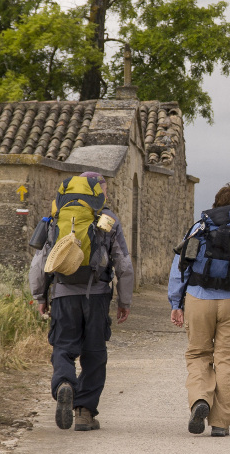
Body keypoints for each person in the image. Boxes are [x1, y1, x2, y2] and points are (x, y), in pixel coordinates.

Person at [29, 171, 134, 432]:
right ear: (99, 193)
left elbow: (40, 262)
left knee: (63, 347)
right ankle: (85, 413)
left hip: (63, 294)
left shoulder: (56, 217)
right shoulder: (108, 219)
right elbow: (123, 264)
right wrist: (125, 300)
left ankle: (65, 384)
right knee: (94, 353)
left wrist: (40, 296)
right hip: (97, 295)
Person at [168, 183, 230, 437]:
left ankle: (201, 400)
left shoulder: (198, 229)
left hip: (198, 299)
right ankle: (220, 423)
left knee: (198, 353)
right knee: (228, 360)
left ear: (216, 204)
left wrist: (176, 303)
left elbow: (180, 267)